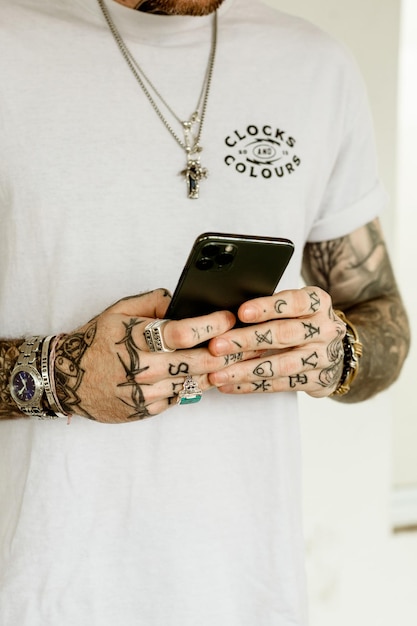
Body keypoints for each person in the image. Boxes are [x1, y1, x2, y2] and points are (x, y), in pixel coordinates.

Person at [0, 0, 410, 624]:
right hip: (33, 591)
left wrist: (338, 353)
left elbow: (383, 318)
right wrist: (54, 374)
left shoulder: (314, 66)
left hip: (249, 593)